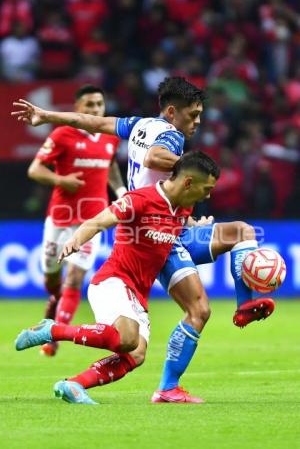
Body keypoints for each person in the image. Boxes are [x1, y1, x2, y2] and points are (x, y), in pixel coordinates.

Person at [12, 76, 274, 403]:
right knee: (191, 313)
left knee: (241, 233)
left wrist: (47, 115)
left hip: (169, 218)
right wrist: (190, 165)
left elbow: (92, 121)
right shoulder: (171, 137)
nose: (197, 121)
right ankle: (166, 387)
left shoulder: (137, 124)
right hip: (156, 227)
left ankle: (244, 305)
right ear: (171, 112)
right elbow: (154, 159)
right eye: (192, 115)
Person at [15, 151, 220, 405]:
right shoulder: (141, 199)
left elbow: (178, 221)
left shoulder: (182, 208)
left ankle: (74, 384)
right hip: (113, 280)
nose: (208, 195)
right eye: (207, 188)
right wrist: (76, 240)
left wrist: (197, 227)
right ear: (188, 182)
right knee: (127, 338)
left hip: (137, 293)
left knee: (136, 354)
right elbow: (101, 220)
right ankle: (52, 330)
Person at [27, 84, 126, 356]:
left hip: (91, 221)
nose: (96, 109)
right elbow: (34, 169)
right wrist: (61, 180)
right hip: (60, 217)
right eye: (90, 105)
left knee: (75, 278)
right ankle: (53, 300)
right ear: (78, 109)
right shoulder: (62, 134)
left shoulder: (110, 138)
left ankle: (53, 336)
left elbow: (111, 167)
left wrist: (120, 192)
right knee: (52, 275)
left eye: (99, 105)